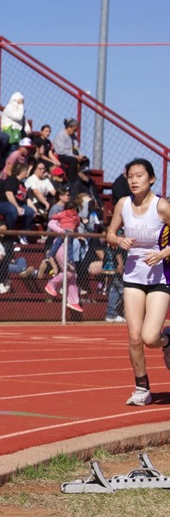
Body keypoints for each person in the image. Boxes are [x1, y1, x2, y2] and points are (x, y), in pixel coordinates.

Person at [104, 159, 170, 407]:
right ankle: (142, 387)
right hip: (133, 277)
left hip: (160, 276)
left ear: (151, 179)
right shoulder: (123, 205)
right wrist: (117, 240)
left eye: (139, 176)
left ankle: (167, 340)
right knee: (134, 337)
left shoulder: (161, 206)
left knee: (150, 337)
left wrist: (163, 253)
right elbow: (110, 234)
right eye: (130, 176)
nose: (133, 180)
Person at [54, 118, 88, 183]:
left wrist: (80, 155)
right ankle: (72, 181)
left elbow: (76, 147)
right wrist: (74, 156)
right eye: (74, 130)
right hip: (62, 155)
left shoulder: (73, 136)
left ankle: (82, 175)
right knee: (73, 160)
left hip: (72, 155)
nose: (74, 132)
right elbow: (61, 151)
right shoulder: (61, 135)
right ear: (69, 127)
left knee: (86, 160)